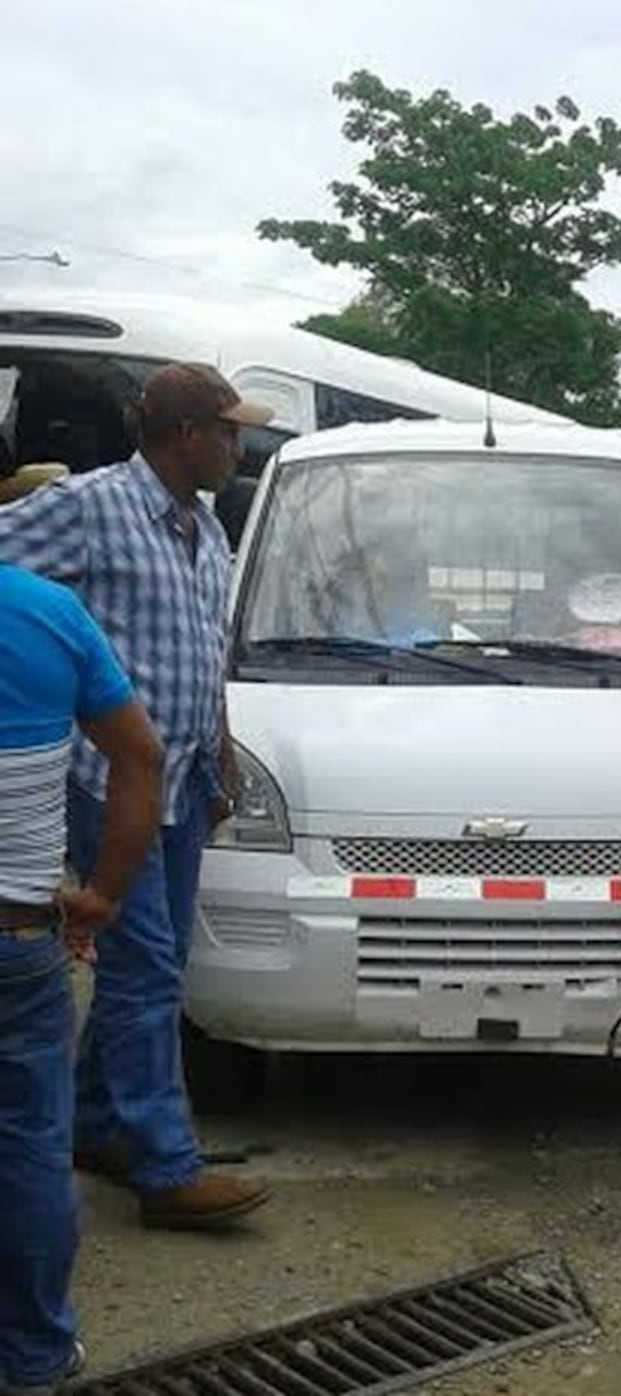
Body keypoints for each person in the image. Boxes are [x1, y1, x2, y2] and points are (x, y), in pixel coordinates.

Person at [0, 363, 272, 1230]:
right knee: (145, 969)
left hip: (185, 777)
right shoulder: (88, 506)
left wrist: (221, 760)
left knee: (150, 965)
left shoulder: (206, 528)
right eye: (229, 432)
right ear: (185, 433)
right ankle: (166, 1167)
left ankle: (94, 1122)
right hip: (110, 777)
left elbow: (204, 651)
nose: (239, 446)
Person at [0, 528, 164, 1390]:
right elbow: (141, 757)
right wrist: (103, 893)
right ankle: (31, 1357)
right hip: (21, 933)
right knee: (28, 1145)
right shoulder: (48, 613)